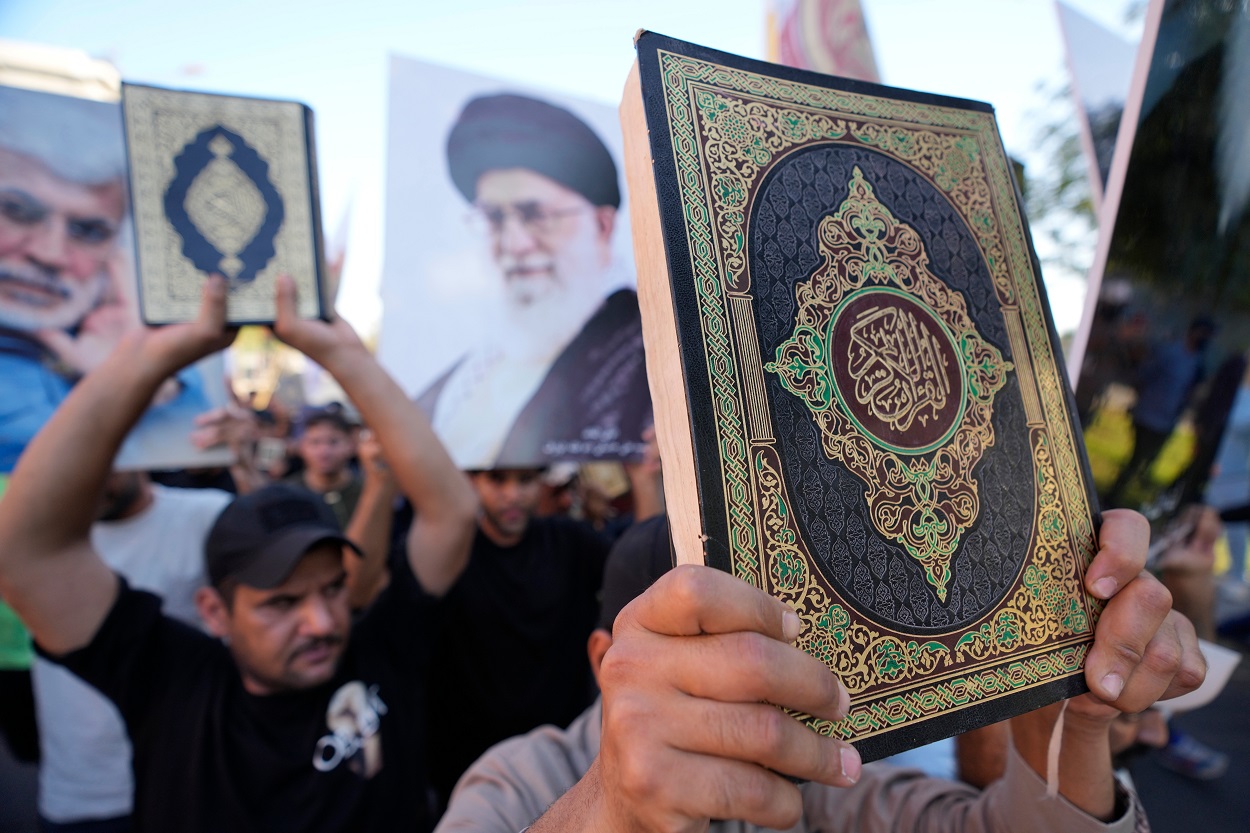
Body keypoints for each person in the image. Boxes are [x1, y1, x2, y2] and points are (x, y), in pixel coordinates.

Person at [0, 275, 478, 832]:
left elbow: (452, 515)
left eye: (331, 589)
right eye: (281, 603)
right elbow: (25, 555)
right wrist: (146, 357)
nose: (322, 623)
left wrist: (342, 354)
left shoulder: (381, 651)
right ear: (213, 612)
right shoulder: (171, 685)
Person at [436, 513, 1203, 833]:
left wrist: (1064, 700)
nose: (739, 678)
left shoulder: (813, 781)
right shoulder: (521, 778)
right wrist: (612, 809)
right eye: (698, 647)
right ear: (608, 659)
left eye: (760, 646)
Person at [415, 92, 651, 469]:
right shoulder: (474, 369)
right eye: (494, 219)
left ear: (602, 226)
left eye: (537, 215)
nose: (515, 244)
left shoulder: (648, 351)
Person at [0, 85, 209, 472]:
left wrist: (145, 379)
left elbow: (187, 455)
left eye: (88, 231)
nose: (49, 253)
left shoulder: (137, 355)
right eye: (16, 210)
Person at [31, 470, 231, 832]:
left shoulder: (207, 515)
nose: (86, 476)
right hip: (81, 793)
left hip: (185, 782)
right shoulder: (33, 534)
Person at [425, 466, 609, 808]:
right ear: (471, 482)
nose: (513, 494)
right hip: (470, 762)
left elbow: (638, 570)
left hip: (566, 762)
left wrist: (644, 479)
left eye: (525, 481)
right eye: (497, 480)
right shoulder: (448, 556)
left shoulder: (570, 541)